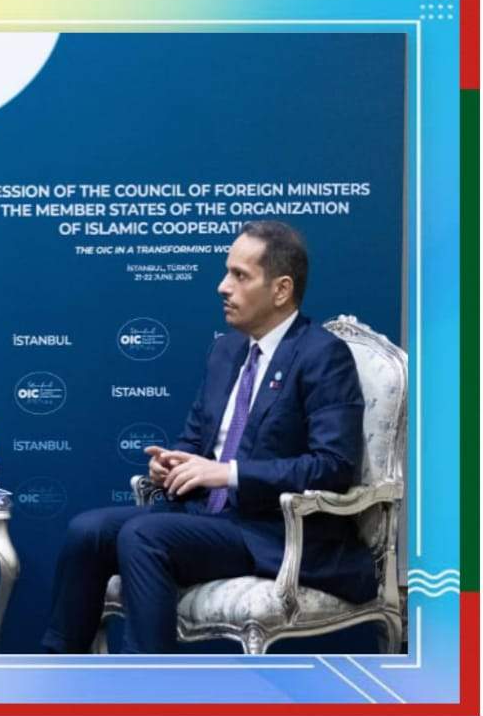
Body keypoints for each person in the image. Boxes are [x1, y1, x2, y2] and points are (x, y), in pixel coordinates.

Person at [42, 220, 376, 653]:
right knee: (87, 531)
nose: (223, 286)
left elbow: (333, 466)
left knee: (143, 535)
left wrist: (228, 474)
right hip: (207, 516)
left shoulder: (322, 355)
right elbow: (196, 438)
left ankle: (144, 682)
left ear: (281, 290)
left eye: (240, 275)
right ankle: (59, 667)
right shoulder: (226, 350)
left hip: (271, 531)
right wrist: (173, 463)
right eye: (226, 272)